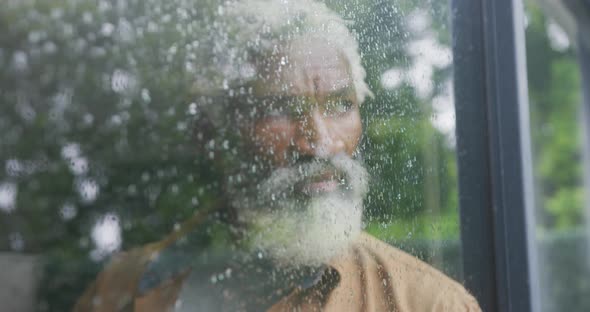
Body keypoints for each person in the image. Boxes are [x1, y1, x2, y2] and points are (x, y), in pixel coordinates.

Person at [74, 0, 481, 311]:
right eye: (278, 110)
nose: (320, 143)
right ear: (212, 135)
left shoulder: (425, 303)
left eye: (340, 104)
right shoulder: (123, 290)